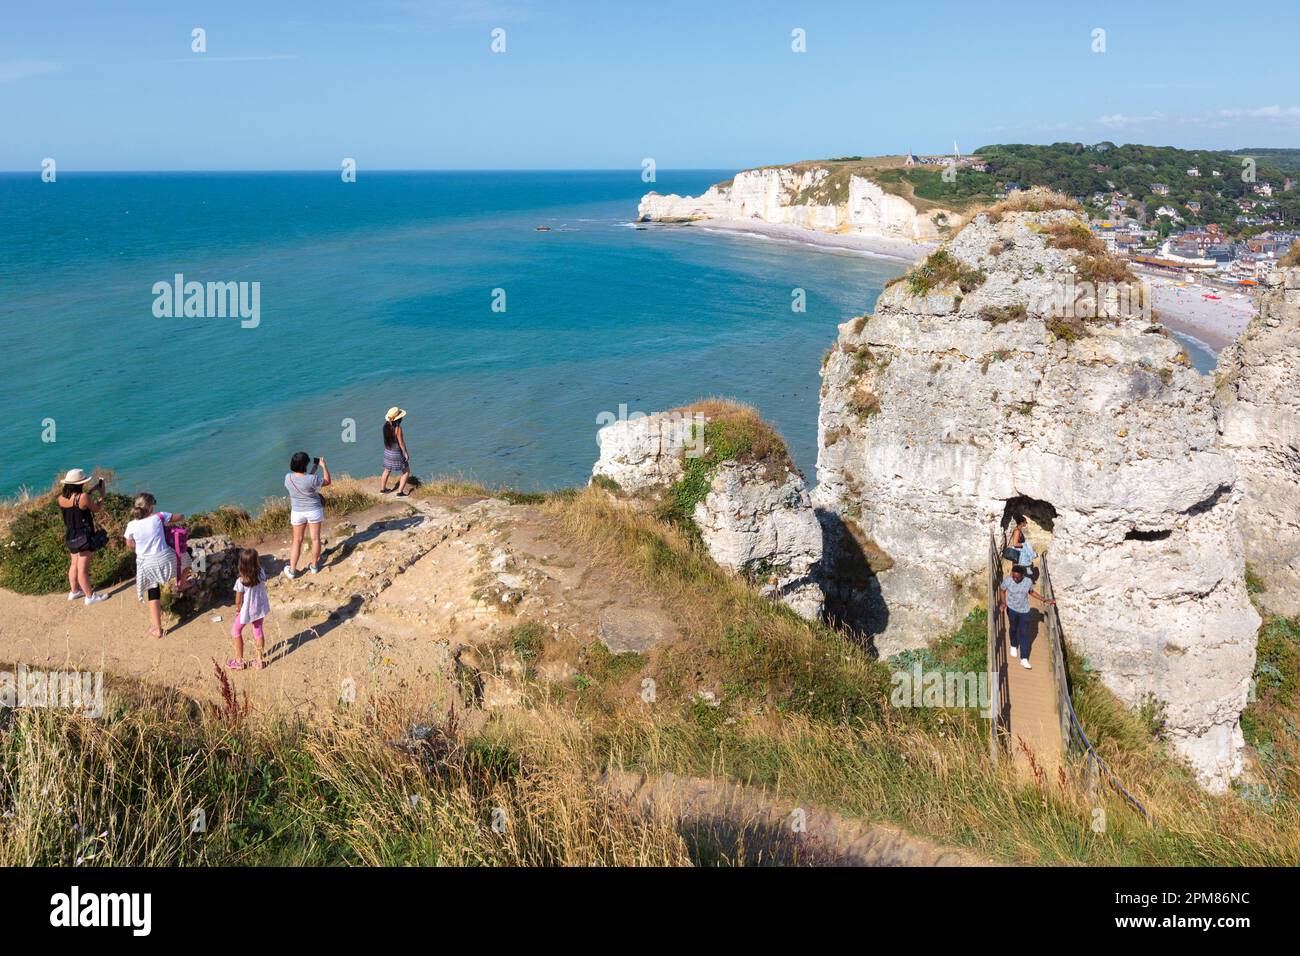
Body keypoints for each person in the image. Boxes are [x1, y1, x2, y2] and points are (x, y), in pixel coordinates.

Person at [124, 493, 186, 638]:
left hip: (146, 564)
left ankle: (157, 629)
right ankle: (182, 583)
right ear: (151, 507)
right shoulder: (159, 517)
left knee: (153, 593)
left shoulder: (131, 525)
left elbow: (129, 544)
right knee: (188, 557)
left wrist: (141, 547)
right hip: (166, 560)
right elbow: (181, 517)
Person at [58, 468, 109, 606]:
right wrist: (102, 496)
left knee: (74, 564)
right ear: (80, 484)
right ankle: (90, 596)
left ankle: (74, 592)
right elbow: (96, 508)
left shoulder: (61, 498)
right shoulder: (83, 497)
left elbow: (77, 501)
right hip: (84, 537)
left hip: (71, 536)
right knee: (83, 569)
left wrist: (92, 490)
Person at [998, 564, 1055, 669]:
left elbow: (1031, 592)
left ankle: (1024, 658)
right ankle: (1014, 645)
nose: (1015, 579)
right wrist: (1003, 603)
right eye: (1013, 576)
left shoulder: (1028, 582)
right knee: (1013, 628)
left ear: (1023, 576)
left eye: (1017, 577)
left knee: (1024, 633)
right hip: (1012, 609)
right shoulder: (1008, 580)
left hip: (1024, 611)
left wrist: (1045, 600)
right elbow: (1002, 590)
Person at [284, 451, 330, 578]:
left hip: (298, 512)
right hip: (314, 510)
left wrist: (314, 469)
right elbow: (327, 481)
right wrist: (323, 466)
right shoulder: (312, 479)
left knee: (297, 541)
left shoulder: (288, 478)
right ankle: (314, 566)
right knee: (315, 539)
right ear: (305, 465)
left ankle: (292, 571)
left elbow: (302, 481)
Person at [229, 548, 270, 670]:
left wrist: (237, 609)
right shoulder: (261, 573)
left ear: (241, 564)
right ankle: (259, 661)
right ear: (256, 562)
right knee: (258, 632)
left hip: (247, 611)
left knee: (236, 631)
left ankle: (239, 661)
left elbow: (238, 600)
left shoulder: (241, 581)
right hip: (259, 608)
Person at [380, 407, 411, 497]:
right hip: (397, 453)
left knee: (386, 470)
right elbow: (401, 443)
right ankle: (400, 492)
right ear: (399, 418)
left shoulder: (385, 426)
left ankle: (382, 489)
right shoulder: (398, 428)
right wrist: (405, 453)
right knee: (406, 471)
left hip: (387, 452)